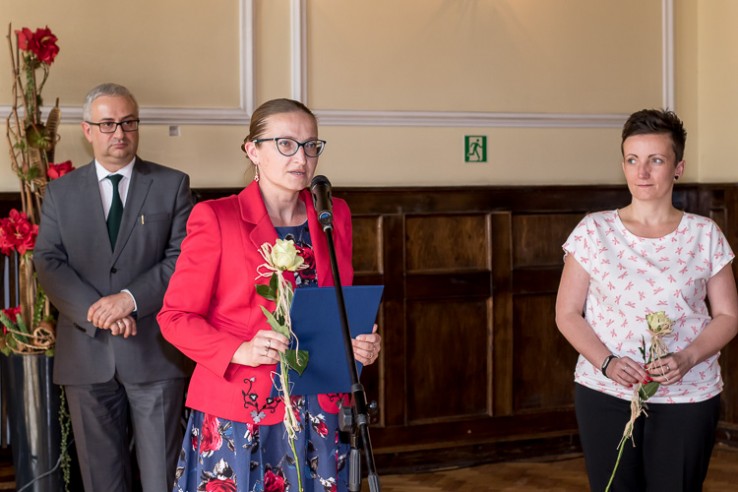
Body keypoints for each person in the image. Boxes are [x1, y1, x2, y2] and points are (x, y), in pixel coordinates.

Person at [157, 98, 382, 492]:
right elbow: (174, 318)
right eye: (286, 144)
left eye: (311, 145)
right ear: (253, 150)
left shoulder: (334, 215)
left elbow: (335, 307)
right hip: (241, 408)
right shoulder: (216, 217)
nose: (301, 157)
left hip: (319, 408)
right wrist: (238, 350)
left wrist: (358, 344)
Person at [555, 109, 738, 491]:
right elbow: (568, 313)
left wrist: (688, 358)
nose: (642, 172)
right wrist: (607, 363)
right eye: (632, 160)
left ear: (678, 167)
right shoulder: (593, 231)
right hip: (605, 392)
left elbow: (728, 316)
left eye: (655, 160)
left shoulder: (705, 234)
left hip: (689, 395)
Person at [34, 83, 193, 492]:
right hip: (86, 354)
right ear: (87, 130)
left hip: (154, 353)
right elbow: (48, 262)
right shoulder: (60, 192)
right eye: (107, 124)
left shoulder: (172, 184)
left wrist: (129, 300)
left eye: (128, 122)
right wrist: (100, 312)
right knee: (101, 482)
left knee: (161, 479)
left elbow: (182, 258)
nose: (119, 132)